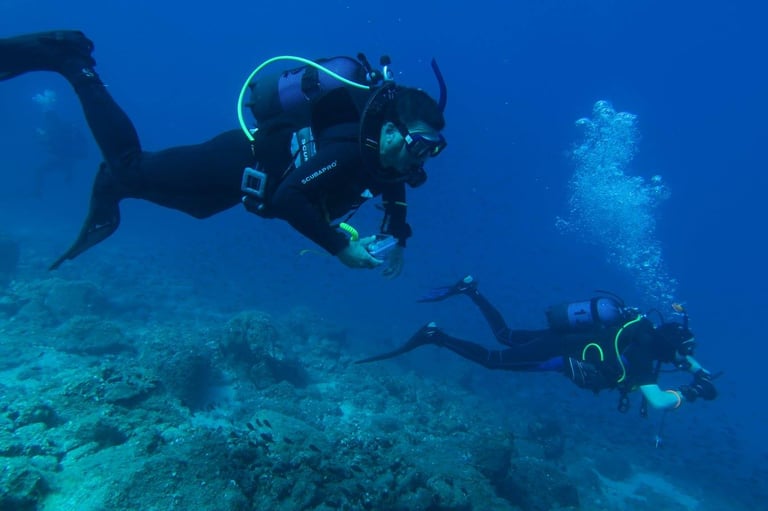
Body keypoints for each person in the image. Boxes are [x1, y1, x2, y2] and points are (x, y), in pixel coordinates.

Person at [0, 30, 447, 275]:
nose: (421, 160)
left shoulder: (388, 160)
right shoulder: (352, 153)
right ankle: (72, 63)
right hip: (233, 161)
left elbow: (393, 188)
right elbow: (290, 198)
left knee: (194, 207)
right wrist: (338, 247)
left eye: (433, 151)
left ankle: (115, 187)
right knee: (131, 166)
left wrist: (400, 239)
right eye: (420, 146)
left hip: (239, 186)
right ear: (391, 130)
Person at [357, 275, 718, 412]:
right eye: (682, 355)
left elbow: (682, 357)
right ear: (669, 347)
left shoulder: (642, 330)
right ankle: (434, 335)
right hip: (563, 353)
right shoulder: (643, 352)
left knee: (507, 336)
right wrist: (690, 393)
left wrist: (697, 371)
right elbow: (656, 401)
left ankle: (471, 290)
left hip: (570, 337)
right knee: (495, 359)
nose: (681, 360)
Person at [31, 89, 88, 196]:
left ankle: (38, 194)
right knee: (67, 174)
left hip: (64, 156)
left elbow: (54, 142)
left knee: (40, 171)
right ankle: (68, 194)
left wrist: (43, 136)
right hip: (67, 157)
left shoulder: (57, 129)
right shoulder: (59, 127)